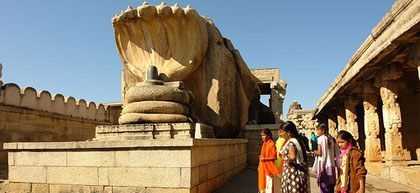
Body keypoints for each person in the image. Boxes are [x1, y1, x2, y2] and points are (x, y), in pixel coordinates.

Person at [278, 121, 310, 193]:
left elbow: (292, 157)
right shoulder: (298, 141)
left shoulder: (291, 143)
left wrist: (287, 160)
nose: (281, 134)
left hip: (292, 174)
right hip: (299, 174)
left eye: (282, 132)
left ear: (288, 133)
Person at [313, 123, 340, 193]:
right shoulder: (332, 139)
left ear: (323, 130)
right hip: (331, 165)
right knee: (330, 187)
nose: (317, 132)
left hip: (323, 165)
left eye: (318, 130)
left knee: (324, 186)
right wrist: (338, 165)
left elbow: (320, 153)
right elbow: (337, 153)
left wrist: (315, 152)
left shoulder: (320, 139)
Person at [258, 128, 280, 193]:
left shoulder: (271, 144)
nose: (262, 137)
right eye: (261, 135)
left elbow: (274, 157)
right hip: (263, 167)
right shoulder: (265, 144)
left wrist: (264, 159)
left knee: (269, 185)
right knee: (264, 183)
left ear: (269, 136)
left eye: (264, 135)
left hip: (269, 168)